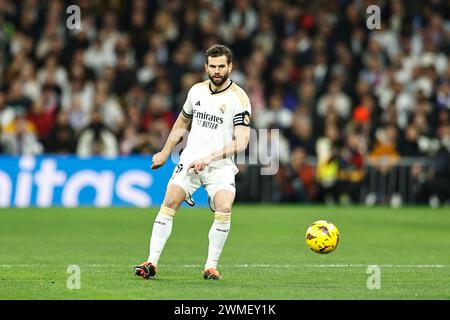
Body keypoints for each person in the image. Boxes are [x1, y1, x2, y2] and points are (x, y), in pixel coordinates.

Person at [134, 44, 251, 280]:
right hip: (189, 161)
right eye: (212, 66)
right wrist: (165, 152)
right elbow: (180, 124)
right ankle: (151, 262)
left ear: (230, 67)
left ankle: (210, 266)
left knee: (224, 207)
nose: (217, 71)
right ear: (205, 67)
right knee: (169, 201)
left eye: (221, 66)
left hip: (219, 166)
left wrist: (209, 158)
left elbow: (241, 142)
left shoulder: (239, 99)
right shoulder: (196, 91)